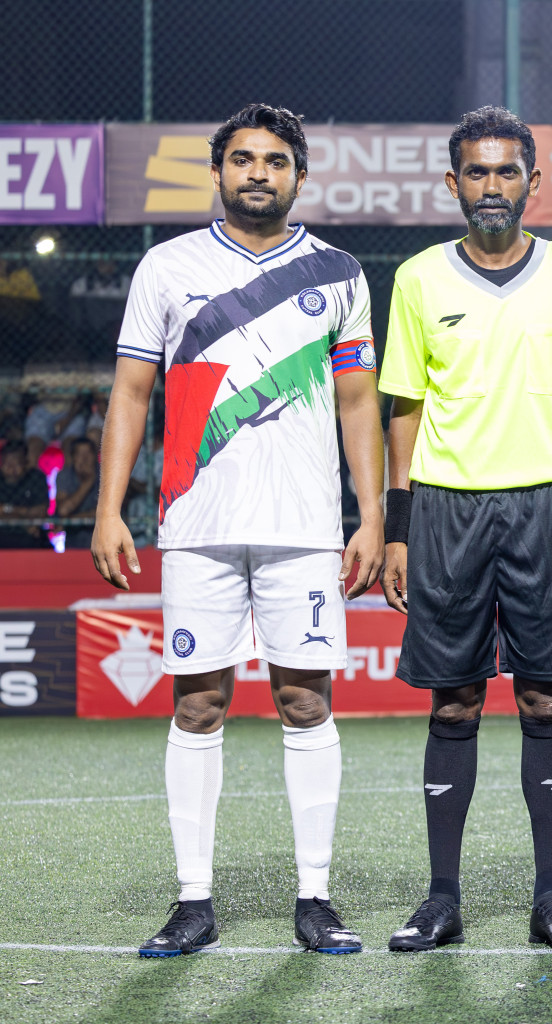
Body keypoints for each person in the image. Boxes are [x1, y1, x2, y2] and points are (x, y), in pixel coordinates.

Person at [89, 103, 384, 958]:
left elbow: (359, 401)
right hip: (197, 524)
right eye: (244, 159)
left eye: (276, 161)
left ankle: (316, 898)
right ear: (217, 172)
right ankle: (193, 902)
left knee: (303, 700)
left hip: (302, 527)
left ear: (299, 176)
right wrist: (110, 508)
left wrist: (370, 515)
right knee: (200, 703)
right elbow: (131, 396)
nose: (260, 172)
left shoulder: (339, 271)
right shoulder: (166, 267)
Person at [378, 107, 552, 953]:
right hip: (446, 508)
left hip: (548, 507)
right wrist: (398, 528)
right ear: (452, 184)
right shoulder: (417, 279)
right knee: (455, 701)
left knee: (546, 697)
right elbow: (402, 409)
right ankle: (443, 898)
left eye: (507, 172)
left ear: (533, 184)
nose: (491, 187)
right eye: (476, 173)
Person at [54, 436, 100, 549]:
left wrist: (69, 520)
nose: (84, 458)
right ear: (73, 457)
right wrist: (88, 482)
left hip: (102, 534)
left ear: (95, 456)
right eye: (79, 454)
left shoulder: (106, 474)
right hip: (75, 535)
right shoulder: (64, 475)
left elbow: (104, 513)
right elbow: (63, 510)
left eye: (88, 453)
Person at [0, 447, 48, 548]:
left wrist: (6, 509)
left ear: (25, 463)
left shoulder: (36, 477)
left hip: (31, 535)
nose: (11, 468)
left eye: (15, 463)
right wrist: (24, 522)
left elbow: (41, 512)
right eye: (6, 463)